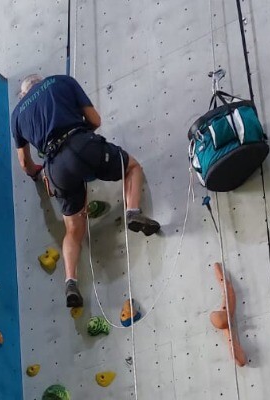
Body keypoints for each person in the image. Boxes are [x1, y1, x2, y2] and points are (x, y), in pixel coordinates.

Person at [10, 74, 161, 308]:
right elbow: (95, 119)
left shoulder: (17, 114)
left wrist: (37, 174)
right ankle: (132, 210)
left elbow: (24, 163)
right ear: (40, 81)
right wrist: (85, 139)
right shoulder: (61, 81)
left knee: (73, 230)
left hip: (55, 167)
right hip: (81, 144)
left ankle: (70, 280)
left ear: (23, 94)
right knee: (132, 168)